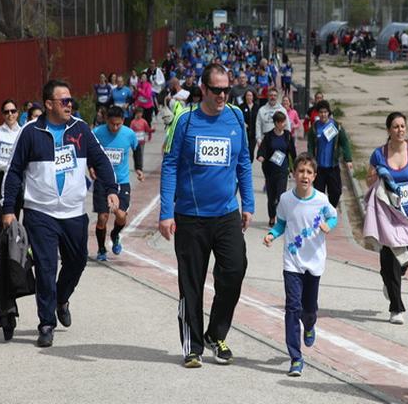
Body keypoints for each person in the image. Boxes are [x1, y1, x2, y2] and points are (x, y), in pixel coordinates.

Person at [1, 80, 118, 347]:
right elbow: (14, 171)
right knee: (45, 267)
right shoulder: (30, 132)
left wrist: (111, 188)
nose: (69, 105)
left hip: (74, 213)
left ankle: (61, 299)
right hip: (40, 212)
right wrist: (9, 209)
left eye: (70, 100)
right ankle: (46, 323)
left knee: (77, 261)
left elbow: (100, 159)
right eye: (63, 100)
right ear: (49, 104)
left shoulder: (80, 129)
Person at [159, 63, 254, 368]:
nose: (223, 95)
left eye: (227, 89)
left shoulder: (236, 117)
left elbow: (243, 163)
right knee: (192, 284)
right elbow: (170, 164)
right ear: (203, 89)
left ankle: (216, 333)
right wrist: (165, 213)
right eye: (216, 90)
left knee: (235, 270)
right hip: (191, 216)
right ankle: (193, 346)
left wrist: (248, 204)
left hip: (226, 214)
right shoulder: (185, 120)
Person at [263, 153, 338, 377]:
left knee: (309, 308)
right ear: (293, 174)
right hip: (292, 263)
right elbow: (281, 225)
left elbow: (333, 217)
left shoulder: (321, 200)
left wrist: (328, 225)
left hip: (314, 261)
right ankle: (296, 357)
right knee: (292, 307)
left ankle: (310, 324)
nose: (304, 175)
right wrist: (271, 235)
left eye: (309, 172)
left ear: (314, 176)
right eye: (300, 171)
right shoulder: (286, 199)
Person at [366, 112, 408, 324]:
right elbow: (368, 181)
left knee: (405, 258)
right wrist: (373, 176)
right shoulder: (379, 155)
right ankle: (396, 308)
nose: (400, 130)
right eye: (395, 126)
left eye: (403, 126)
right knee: (391, 258)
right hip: (388, 213)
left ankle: (389, 280)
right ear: (388, 130)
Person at [92, 106, 145, 261]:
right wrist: (90, 167)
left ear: (123, 121)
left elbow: (137, 150)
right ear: (106, 120)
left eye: (118, 124)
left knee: (121, 216)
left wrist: (139, 168)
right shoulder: (97, 133)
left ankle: (115, 235)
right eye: (112, 124)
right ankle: (102, 249)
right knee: (102, 218)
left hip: (122, 182)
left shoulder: (129, 134)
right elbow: (88, 151)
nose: (115, 127)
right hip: (102, 181)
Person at [0, 99, 23, 240]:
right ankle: (0, 255)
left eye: (13, 111)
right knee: (3, 221)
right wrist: (9, 167)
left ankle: (13, 255)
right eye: (6, 112)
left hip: (16, 182)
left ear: (17, 113)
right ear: (3, 115)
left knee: (14, 221)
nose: (10, 114)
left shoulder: (22, 132)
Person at [307, 100, 353, 208]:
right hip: (319, 168)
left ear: (329, 113)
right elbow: (311, 146)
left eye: (325, 112)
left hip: (333, 166)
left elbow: (344, 142)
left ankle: (331, 209)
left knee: (336, 192)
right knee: (318, 194)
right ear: (318, 113)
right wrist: (310, 161)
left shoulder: (336, 126)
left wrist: (348, 159)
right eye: (321, 112)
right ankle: (321, 213)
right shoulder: (314, 128)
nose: (323, 114)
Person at [257, 111, 297, 227]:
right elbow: (263, 149)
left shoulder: (287, 136)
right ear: (275, 123)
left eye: (284, 121)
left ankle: (281, 219)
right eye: (280, 122)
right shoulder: (269, 136)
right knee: (271, 197)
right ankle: (272, 216)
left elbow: (292, 153)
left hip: (283, 170)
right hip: (270, 170)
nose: (283, 124)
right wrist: (261, 156)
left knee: (281, 196)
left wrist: (295, 167)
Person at [240, 89, 259, 162]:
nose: (249, 97)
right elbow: (239, 118)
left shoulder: (257, 107)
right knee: (244, 150)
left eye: (250, 95)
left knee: (251, 151)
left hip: (253, 133)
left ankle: (249, 165)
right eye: (247, 95)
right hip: (244, 133)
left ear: (253, 97)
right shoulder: (241, 107)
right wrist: (243, 123)